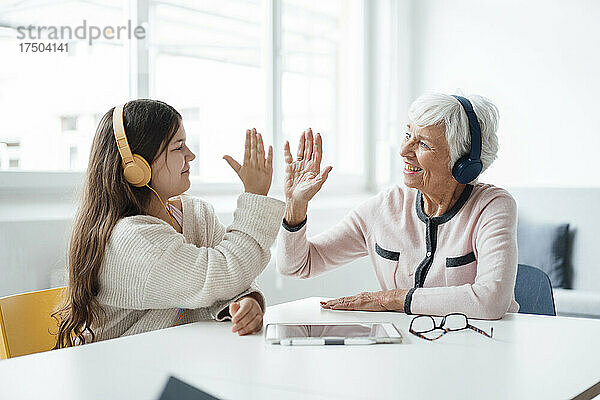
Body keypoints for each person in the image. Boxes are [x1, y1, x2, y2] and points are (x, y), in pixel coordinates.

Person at [53, 99, 284, 347]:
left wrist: (244, 301)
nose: (191, 155)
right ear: (137, 166)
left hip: (176, 359)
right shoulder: (130, 240)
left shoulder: (197, 214)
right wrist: (256, 196)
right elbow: (219, 274)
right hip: (122, 372)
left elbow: (226, 283)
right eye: (178, 147)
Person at [277, 92, 519, 320]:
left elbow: (491, 300)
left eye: (423, 144)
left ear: (463, 164)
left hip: (483, 348)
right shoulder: (385, 207)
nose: (404, 151)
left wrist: (389, 299)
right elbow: (298, 265)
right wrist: (295, 207)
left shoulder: (492, 206)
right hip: (409, 348)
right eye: (407, 135)